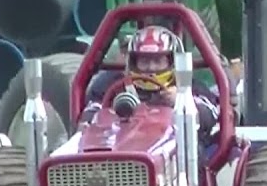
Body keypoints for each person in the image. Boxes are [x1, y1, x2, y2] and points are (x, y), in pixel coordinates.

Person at [79, 25, 220, 148]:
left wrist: (181, 101)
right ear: (133, 62)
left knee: (197, 150)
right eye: (145, 61)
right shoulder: (112, 85)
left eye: (158, 61)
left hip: (179, 154)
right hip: (124, 148)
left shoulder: (187, 85)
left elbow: (210, 114)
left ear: (171, 61)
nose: (151, 67)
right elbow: (91, 112)